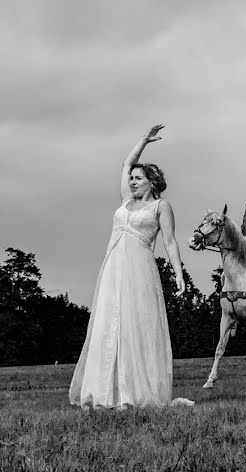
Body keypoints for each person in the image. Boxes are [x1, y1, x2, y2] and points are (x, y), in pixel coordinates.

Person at [69, 124, 193, 409]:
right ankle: (104, 392)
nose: (133, 181)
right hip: (113, 268)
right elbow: (126, 163)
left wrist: (177, 272)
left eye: (139, 178)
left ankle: (133, 391)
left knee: (135, 325)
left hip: (139, 270)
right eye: (132, 178)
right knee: (108, 323)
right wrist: (144, 141)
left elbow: (171, 242)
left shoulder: (161, 207)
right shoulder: (126, 201)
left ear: (152, 181)